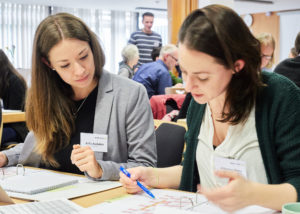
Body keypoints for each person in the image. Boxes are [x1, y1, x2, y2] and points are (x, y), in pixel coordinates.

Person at [120, 4, 300, 212]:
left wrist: (253, 194)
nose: (188, 86)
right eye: (184, 72)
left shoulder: (279, 96)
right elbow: (192, 171)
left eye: (203, 77)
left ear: (237, 66)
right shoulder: (200, 101)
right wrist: (152, 175)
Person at [0, 13, 157, 181]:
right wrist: (6, 157)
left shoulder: (130, 94)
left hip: (99, 201)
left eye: (83, 56)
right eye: (65, 65)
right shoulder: (48, 96)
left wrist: (101, 169)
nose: (80, 70)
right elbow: (35, 146)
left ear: (92, 47)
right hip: (46, 195)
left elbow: (145, 166)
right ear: (48, 64)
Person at [0, 49, 28, 145]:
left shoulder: (15, 81)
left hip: (19, 129)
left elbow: (16, 114)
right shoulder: (4, 81)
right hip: (7, 125)